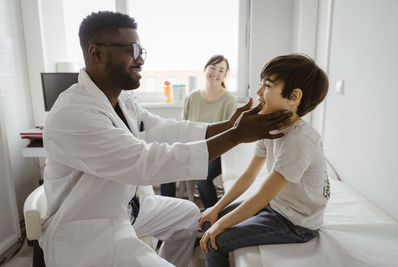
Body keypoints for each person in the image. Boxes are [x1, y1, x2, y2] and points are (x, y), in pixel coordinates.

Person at [38, 11, 292, 267]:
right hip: (89, 228)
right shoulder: (75, 113)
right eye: (132, 49)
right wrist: (236, 135)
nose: (140, 59)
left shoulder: (121, 100)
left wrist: (228, 126)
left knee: (188, 215)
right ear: (96, 53)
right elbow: (144, 164)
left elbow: (167, 129)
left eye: (141, 50)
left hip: (125, 209)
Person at [198, 54, 330, 267]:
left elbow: (263, 194)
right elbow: (249, 175)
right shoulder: (270, 127)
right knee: (209, 221)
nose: (258, 92)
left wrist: (221, 226)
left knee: (216, 241)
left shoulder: (300, 139)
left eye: (267, 85)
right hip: (276, 206)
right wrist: (216, 210)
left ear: (294, 96)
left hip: (296, 223)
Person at [161, 55, 237, 209]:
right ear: (205, 69)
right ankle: (166, 211)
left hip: (217, 152)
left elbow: (230, 133)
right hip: (191, 148)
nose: (215, 73)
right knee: (165, 168)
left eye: (221, 70)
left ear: (225, 74)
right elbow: (182, 128)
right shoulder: (192, 97)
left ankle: (214, 219)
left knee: (202, 180)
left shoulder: (229, 100)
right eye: (213, 68)